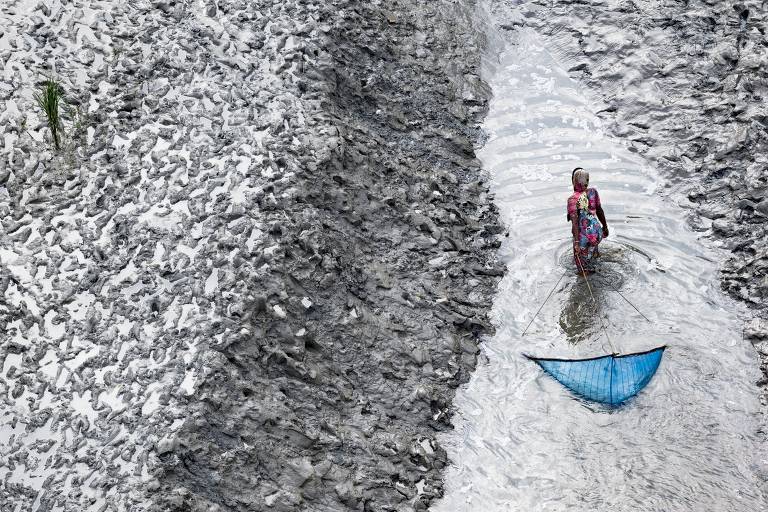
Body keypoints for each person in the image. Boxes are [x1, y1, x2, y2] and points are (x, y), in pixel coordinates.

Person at [567, 168, 608, 273]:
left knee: (583, 270)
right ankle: (594, 261)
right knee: (594, 256)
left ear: (574, 181)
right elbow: (599, 210)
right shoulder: (593, 192)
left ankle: (584, 272)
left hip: (583, 239)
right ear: (587, 180)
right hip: (596, 234)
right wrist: (605, 227)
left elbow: (575, 223)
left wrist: (576, 243)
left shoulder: (572, 199)